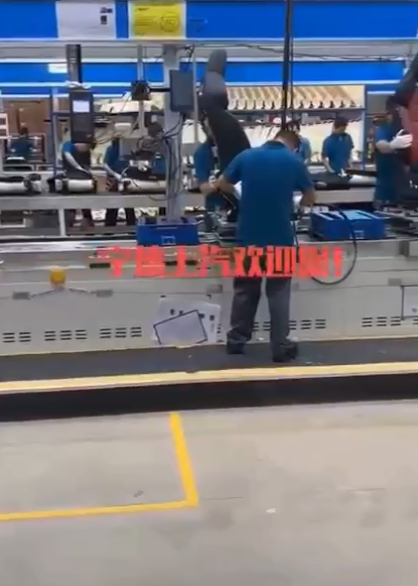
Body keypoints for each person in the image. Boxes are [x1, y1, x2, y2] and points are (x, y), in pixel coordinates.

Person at [215, 128, 316, 363]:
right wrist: (297, 204)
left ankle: (236, 342)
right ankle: (280, 346)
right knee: (278, 293)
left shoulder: (246, 156)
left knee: (245, 291)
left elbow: (222, 183)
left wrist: (241, 196)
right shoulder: (294, 161)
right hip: (280, 240)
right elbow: (311, 196)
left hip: (248, 239)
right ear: (294, 146)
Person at [373, 103, 413, 205]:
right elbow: (381, 146)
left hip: (405, 192)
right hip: (386, 193)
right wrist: (392, 145)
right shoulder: (384, 130)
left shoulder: (409, 130)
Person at [193, 118, 226, 220]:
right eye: (210, 127)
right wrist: (219, 183)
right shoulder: (202, 153)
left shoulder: (234, 147)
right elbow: (204, 188)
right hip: (217, 210)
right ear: (204, 129)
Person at [102, 137, 136, 227]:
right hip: (113, 179)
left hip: (126, 178)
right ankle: (109, 227)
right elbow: (105, 165)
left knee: (128, 204)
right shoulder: (111, 149)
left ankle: (131, 226)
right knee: (113, 204)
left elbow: (132, 162)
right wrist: (115, 174)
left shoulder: (128, 150)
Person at [61, 140, 94, 227]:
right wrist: (78, 167)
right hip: (72, 180)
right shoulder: (68, 145)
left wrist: (88, 172)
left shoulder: (86, 152)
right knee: (72, 208)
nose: (86, 148)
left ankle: (88, 229)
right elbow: (67, 155)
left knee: (84, 208)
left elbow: (88, 166)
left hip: (81, 181)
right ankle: (68, 229)